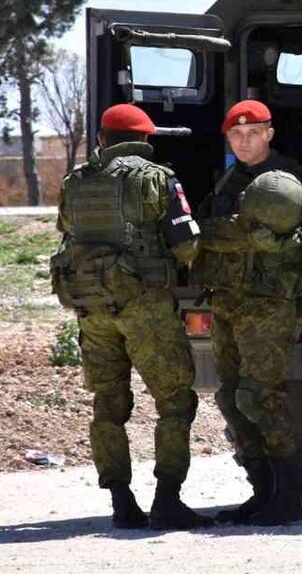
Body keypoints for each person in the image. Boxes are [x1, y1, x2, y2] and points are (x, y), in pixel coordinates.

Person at [50, 103, 209, 530]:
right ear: (146, 141)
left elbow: (67, 230)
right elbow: (186, 244)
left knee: (109, 402)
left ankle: (121, 500)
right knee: (174, 400)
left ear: (101, 140)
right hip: (145, 307)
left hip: (92, 308)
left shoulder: (75, 182)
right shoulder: (157, 178)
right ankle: (167, 499)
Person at [193, 100, 302, 526]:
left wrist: (216, 233)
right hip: (228, 298)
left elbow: (265, 240)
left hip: (266, 302)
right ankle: (263, 491)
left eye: (253, 132)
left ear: (269, 133)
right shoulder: (231, 179)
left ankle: (289, 494)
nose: (244, 141)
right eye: (236, 135)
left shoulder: (283, 181)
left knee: (258, 396)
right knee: (230, 396)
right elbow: (227, 232)